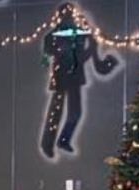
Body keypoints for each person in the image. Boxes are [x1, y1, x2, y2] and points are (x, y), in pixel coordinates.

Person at [39, 3, 119, 159]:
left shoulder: (80, 33)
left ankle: (60, 140)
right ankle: (50, 143)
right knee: (59, 112)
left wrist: (87, 48)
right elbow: (49, 50)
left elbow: (81, 56)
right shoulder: (59, 35)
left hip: (70, 77)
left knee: (71, 112)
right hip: (64, 77)